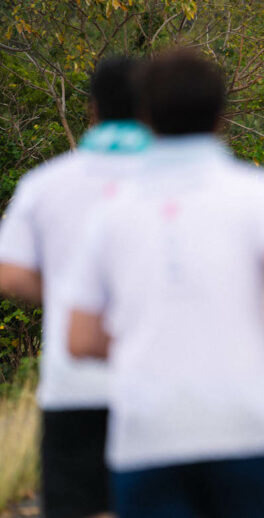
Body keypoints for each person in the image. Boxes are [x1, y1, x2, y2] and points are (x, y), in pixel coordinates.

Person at [65, 49, 264, 518]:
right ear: (221, 116)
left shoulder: (110, 207)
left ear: (145, 115)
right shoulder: (255, 192)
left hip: (148, 428)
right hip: (244, 423)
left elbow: (80, 339)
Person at [0, 56, 152, 518]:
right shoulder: (182, 182)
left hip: (74, 385)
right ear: (151, 108)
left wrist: (71, 294)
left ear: (92, 109)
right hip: (162, 384)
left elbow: (9, 273)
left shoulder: (46, 183)